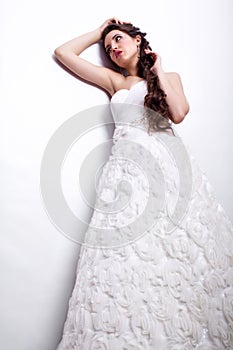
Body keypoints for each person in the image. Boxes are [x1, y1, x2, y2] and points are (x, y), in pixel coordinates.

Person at [54, 18, 233, 350]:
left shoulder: (170, 77)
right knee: (124, 252)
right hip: (126, 172)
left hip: (170, 168)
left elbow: (178, 113)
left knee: (178, 247)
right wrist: (100, 31)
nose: (113, 49)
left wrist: (159, 68)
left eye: (119, 40)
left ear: (138, 40)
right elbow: (63, 52)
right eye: (108, 48)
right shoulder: (114, 82)